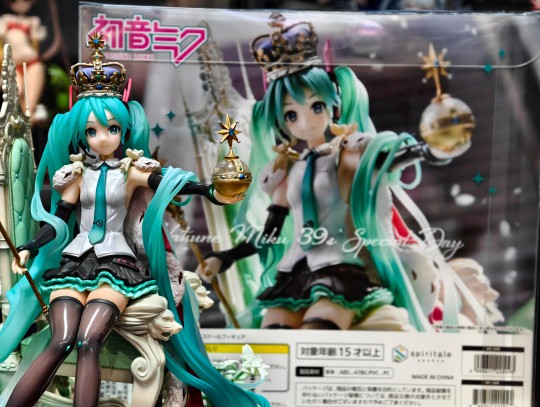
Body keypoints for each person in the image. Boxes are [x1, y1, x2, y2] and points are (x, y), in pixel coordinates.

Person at [0, 33, 269, 407]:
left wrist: (210, 190)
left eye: (111, 129)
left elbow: (170, 182)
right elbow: (59, 219)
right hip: (74, 265)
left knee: (88, 341)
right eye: (92, 131)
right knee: (60, 340)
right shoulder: (75, 174)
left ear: (123, 129)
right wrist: (31, 246)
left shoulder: (132, 171)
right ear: (81, 133)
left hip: (117, 266)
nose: (103, 138)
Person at [197, 13, 477, 332]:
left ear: (333, 103)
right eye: (291, 115)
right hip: (294, 273)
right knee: (274, 336)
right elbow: (270, 234)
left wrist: (429, 150)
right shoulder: (287, 172)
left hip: (341, 268)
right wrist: (227, 256)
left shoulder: (348, 153)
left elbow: (386, 158)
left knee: (317, 331)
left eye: (316, 106)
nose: (305, 122)